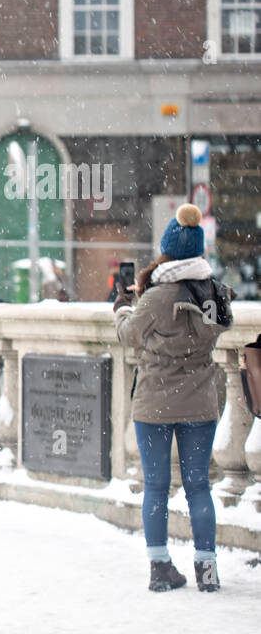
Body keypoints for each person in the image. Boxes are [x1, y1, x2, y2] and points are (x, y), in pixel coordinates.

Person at [115, 203, 232, 593]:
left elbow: (129, 336)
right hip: (200, 402)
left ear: (167, 249)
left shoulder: (157, 298)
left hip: (154, 404)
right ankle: (207, 569)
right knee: (199, 486)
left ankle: (160, 567)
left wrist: (122, 308)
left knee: (156, 486)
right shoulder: (214, 293)